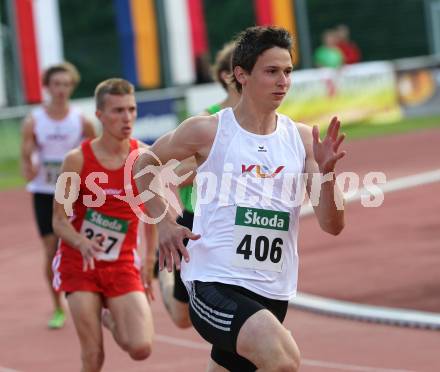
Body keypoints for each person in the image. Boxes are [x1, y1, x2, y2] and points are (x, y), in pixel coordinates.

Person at [136, 26, 346, 371]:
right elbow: (144, 164)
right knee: (282, 359)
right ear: (241, 75)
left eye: (288, 71)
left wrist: (327, 174)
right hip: (214, 281)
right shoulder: (207, 131)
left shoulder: (304, 139)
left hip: (273, 289)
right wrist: (164, 222)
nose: (283, 81)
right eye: (272, 71)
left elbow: (332, 225)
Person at [52, 78, 155, 371]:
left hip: (121, 262)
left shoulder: (143, 157)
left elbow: (154, 211)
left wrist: (148, 261)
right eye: (118, 111)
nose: (127, 118)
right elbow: (59, 220)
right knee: (94, 355)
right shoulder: (76, 161)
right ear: (99, 115)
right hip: (79, 262)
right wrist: (81, 242)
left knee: (141, 347)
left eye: (132, 110)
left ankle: (108, 317)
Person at [158, 41, 241, 330]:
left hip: (241, 221)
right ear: (228, 77)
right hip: (198, 219)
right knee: (182, 319)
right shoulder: (206, 121)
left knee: (245, 301)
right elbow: (172, 173)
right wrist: (215, 164)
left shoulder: (264, 122)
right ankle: (165, 276)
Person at [21, 62, 96, 329]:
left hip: (74, 192)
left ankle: (91, 296)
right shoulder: (35, 120)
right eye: (56, 84)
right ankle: (57, 306)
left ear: (71, 87)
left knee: (86, 243)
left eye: (66, 84)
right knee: (51, 249)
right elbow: (26, 153)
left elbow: (95, 150)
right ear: (48, 87)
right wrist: (29, 164)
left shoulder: (81, 119)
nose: (61, 90)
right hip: (44, 191)